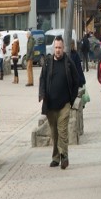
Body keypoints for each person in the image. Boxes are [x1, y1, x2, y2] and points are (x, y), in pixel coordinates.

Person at [38, 35, 79, 170]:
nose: (58, 50)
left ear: (63, 48)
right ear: (53, 48)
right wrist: (42, 95)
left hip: (64, 105)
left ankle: (64, 156)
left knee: (62, 131)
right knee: (54, 133)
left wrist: (71, 100)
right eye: (56, 47)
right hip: (50, 105)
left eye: (60, 48)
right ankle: (56, 157)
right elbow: (42, 80)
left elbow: (76, 81)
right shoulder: (48, 63)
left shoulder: (68, 63)